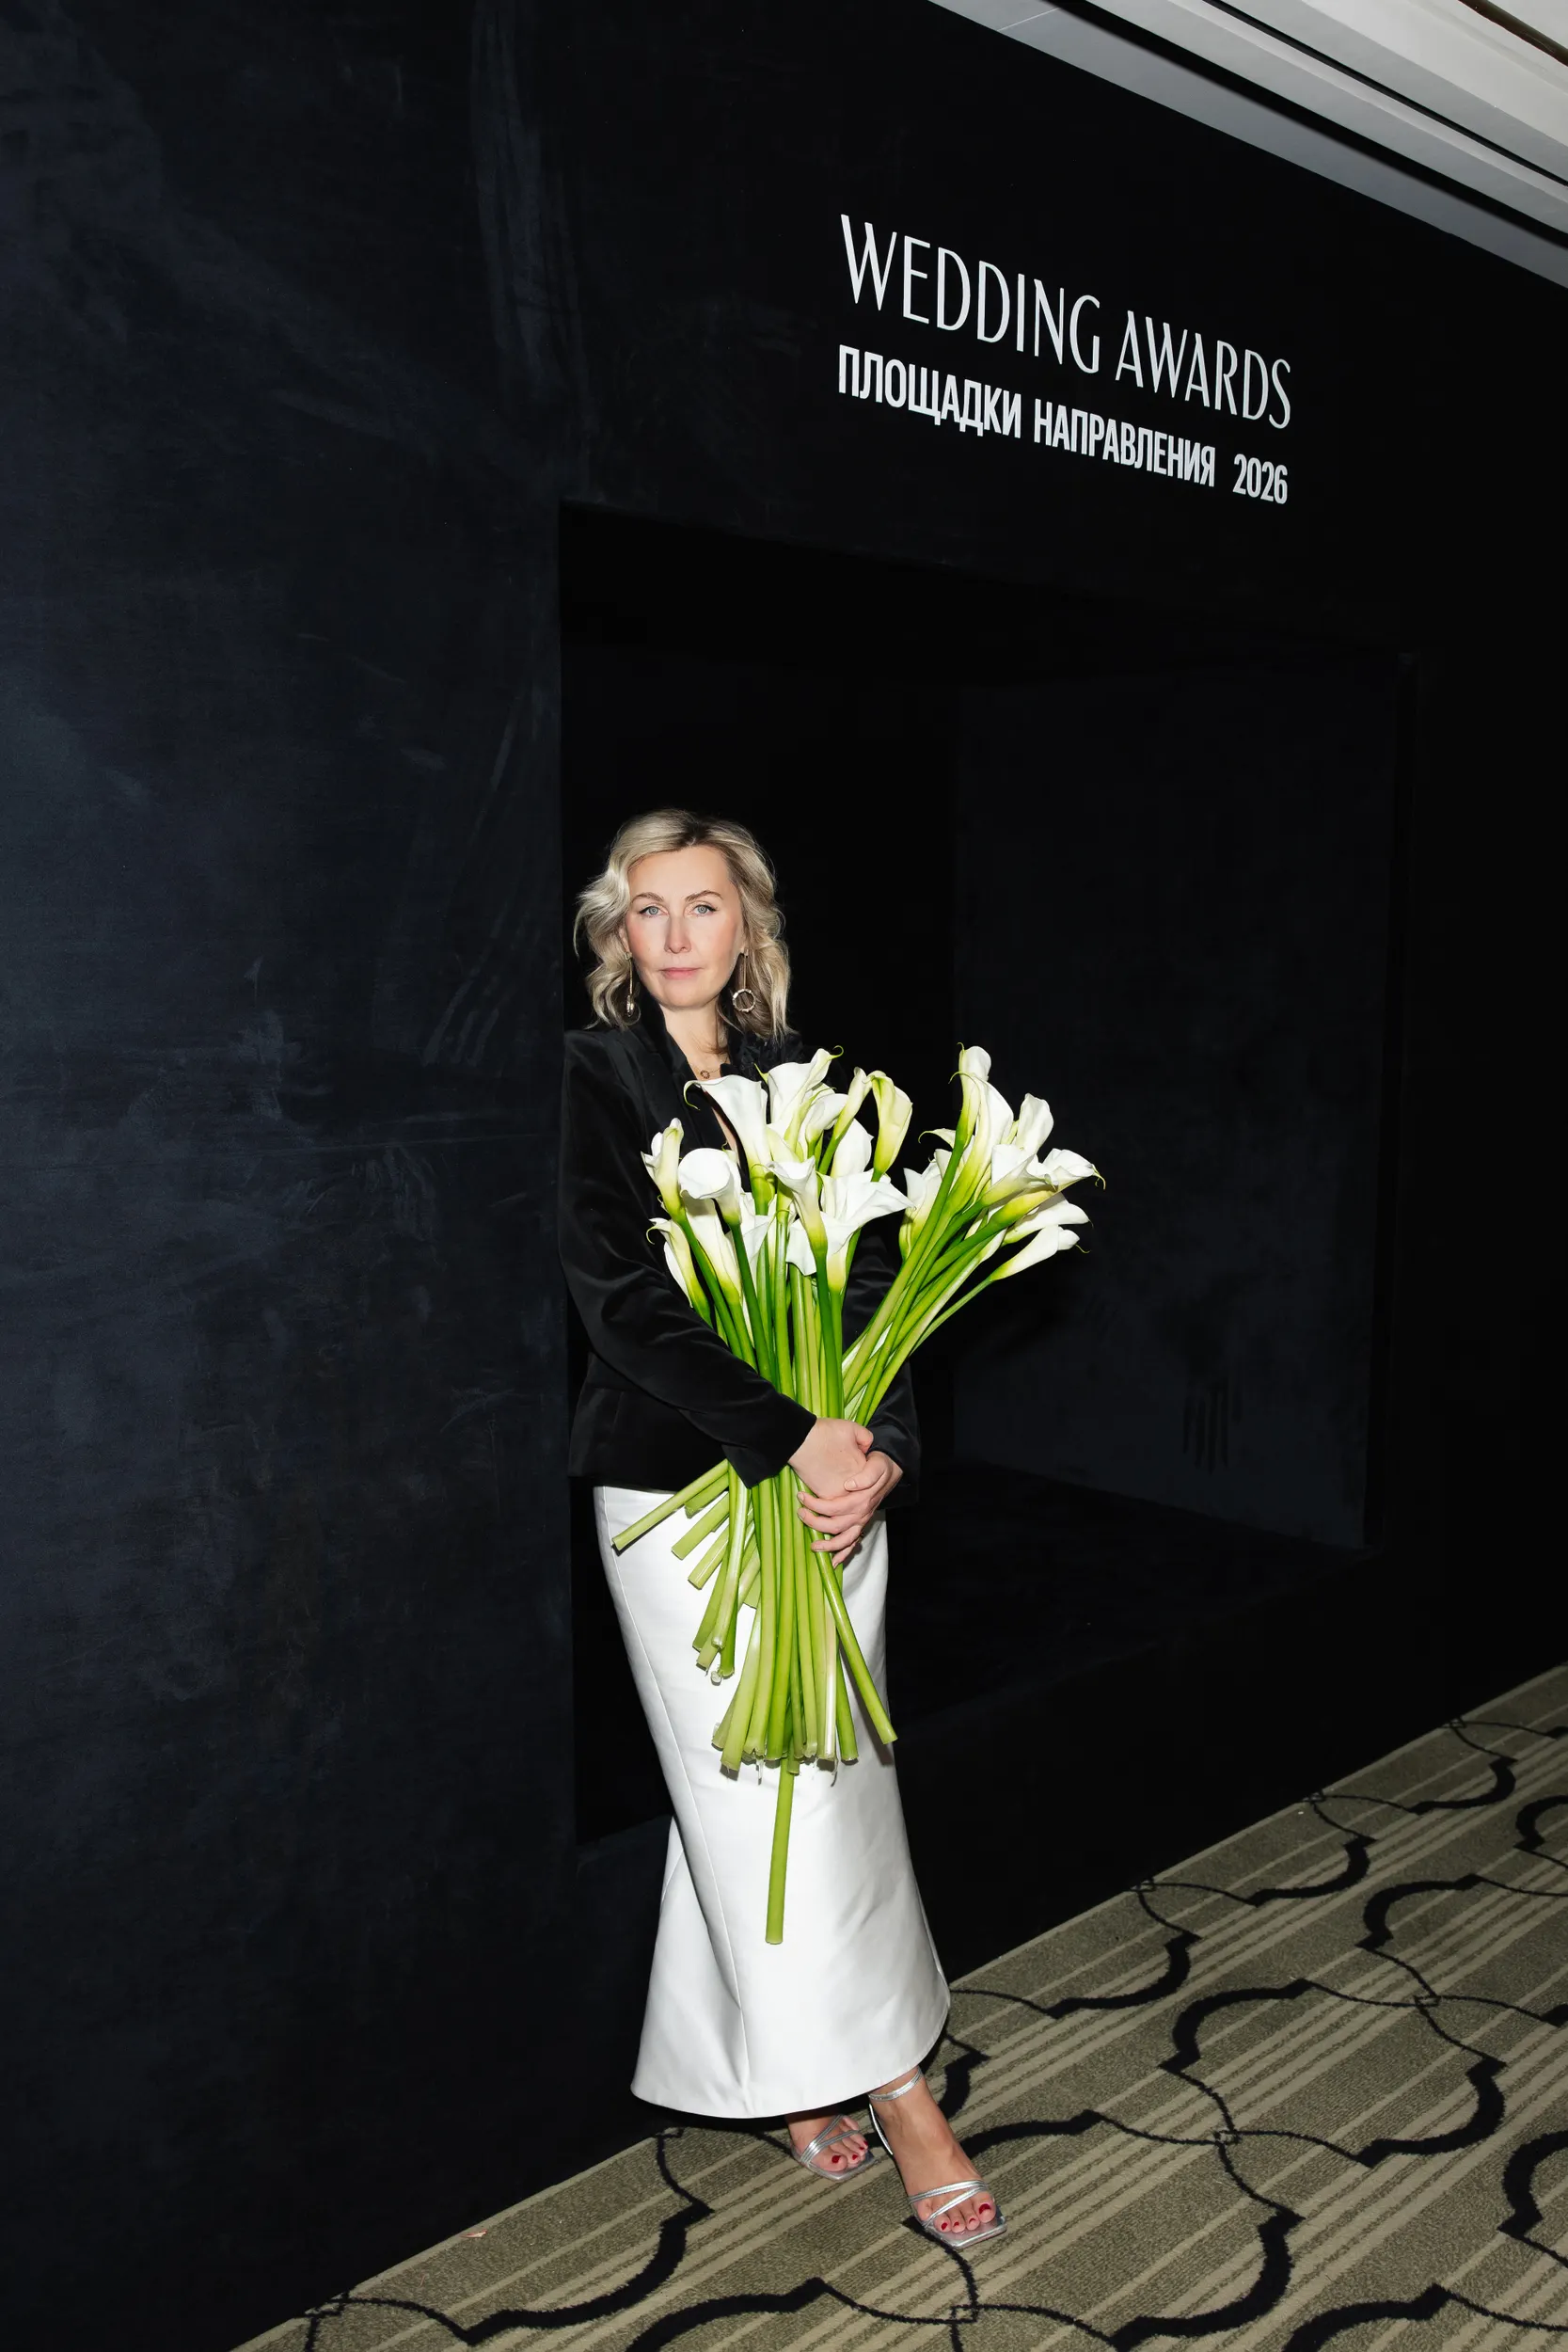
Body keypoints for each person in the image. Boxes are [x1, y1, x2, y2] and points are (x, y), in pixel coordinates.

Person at [558, 808, 1003, 2244]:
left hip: (829, 1491)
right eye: (646, 909)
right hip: (676, 1498)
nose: (675, 934)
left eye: (703, 905)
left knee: (821, 1789)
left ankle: (777, 2067)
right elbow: (620, 1306)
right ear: (617, 934)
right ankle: (899, 2087)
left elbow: (877, 1287)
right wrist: (793, 1432)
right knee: (758, 1788)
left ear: (747, 923)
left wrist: (882, 1456)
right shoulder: (592, 1078)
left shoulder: (807, 1079)